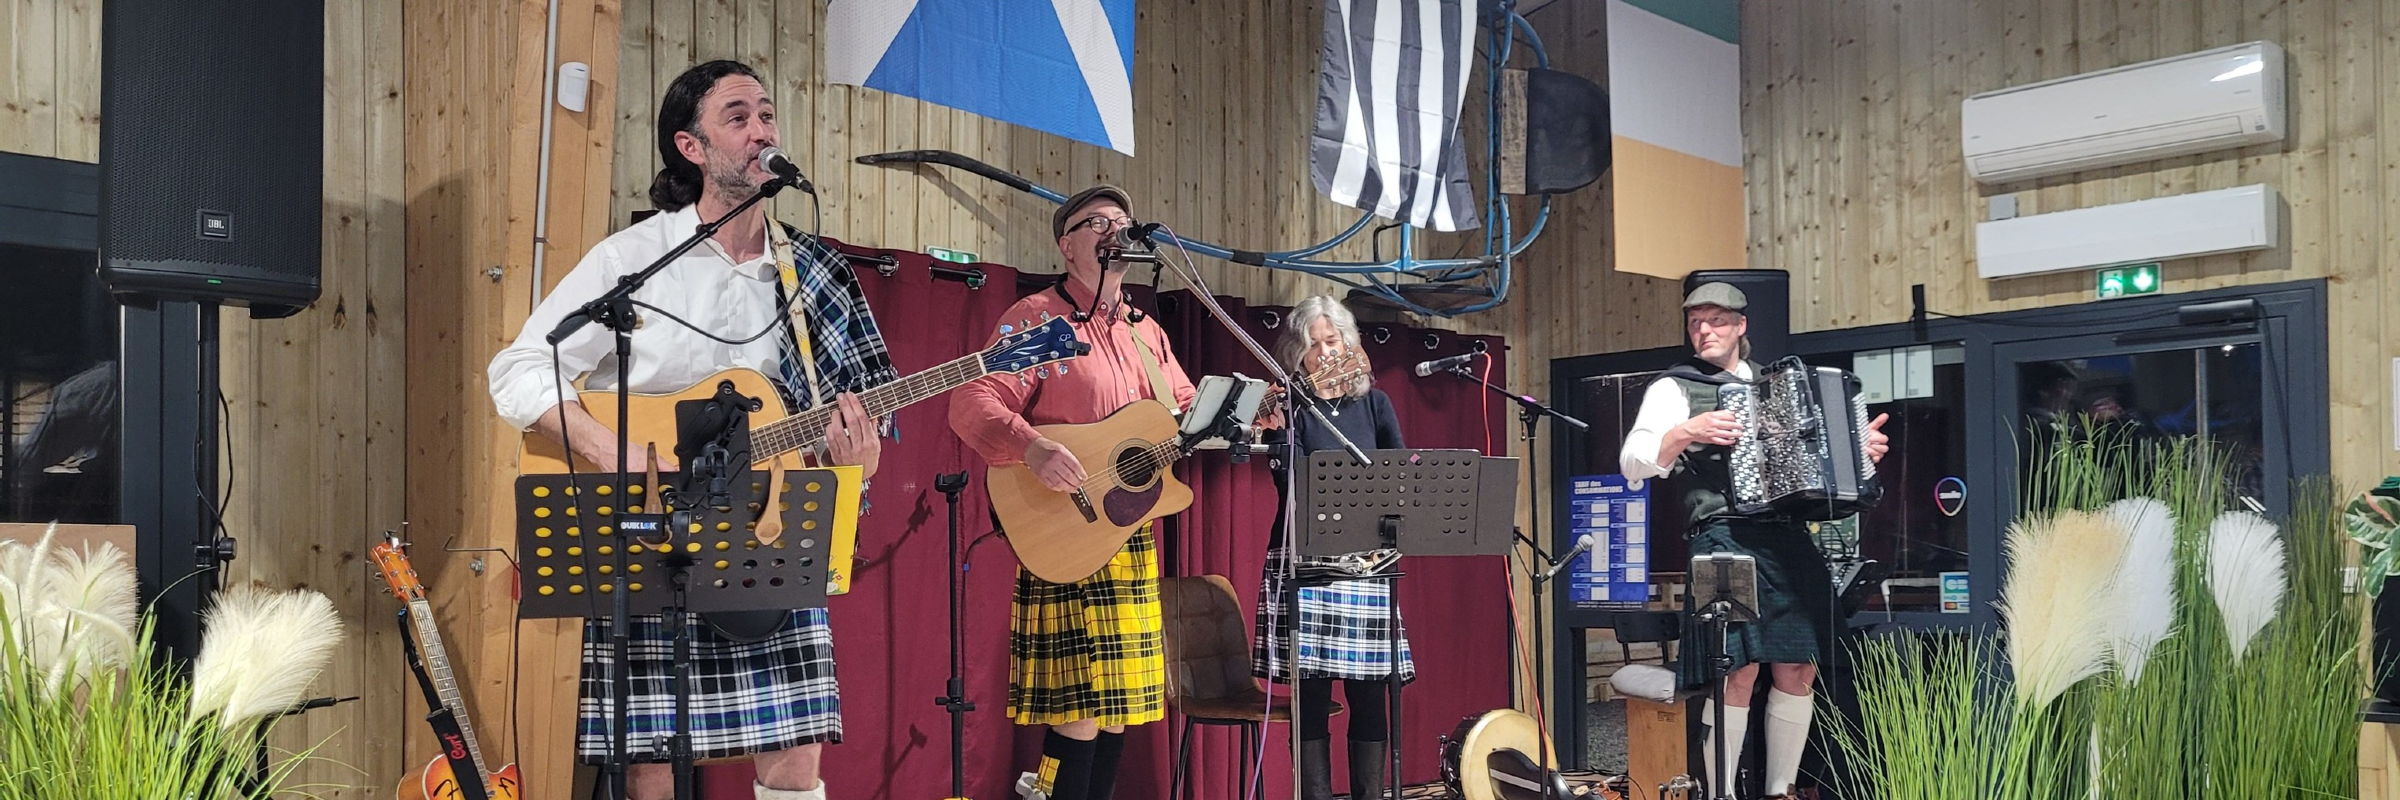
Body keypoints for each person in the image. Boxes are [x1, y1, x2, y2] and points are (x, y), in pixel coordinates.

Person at [487, 59, 894, 800]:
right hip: (653, 530)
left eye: (766, 114)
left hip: (767, 534)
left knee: (797, 756)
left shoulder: (814, 271)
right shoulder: (634, 259)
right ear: (692, 147)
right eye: (737, 117)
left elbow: (862, 408)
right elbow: (516, 371)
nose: (760, 130)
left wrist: (854, 465)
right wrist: (608, 447)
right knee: (649, 764)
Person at [949, 184, 1198, 800]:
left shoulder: (1147, 331)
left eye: (1124, 220)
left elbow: (1185, 412)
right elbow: (973, 400)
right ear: (1067, 245)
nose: (1116, 230)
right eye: (1098, 222)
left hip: (1126, 532)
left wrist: (1249, 413)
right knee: (1078, 709)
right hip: (1065, 529)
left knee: (1115, 709)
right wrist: (1030, 446)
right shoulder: (1038, 320)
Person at [1617, 282, 1889, 799]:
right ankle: (1720, 792)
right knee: (1735, 670)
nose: (1704, 331)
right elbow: (1633, 463)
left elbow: (1823, 464)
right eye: (1696, 322)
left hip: (1785, 536)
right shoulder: (1674, 388)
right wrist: (1684, 432)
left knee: (1799, 663)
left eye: (1716, 320)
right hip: (1720, 534)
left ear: (1741, 326)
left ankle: (1781, 790)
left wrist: (1860, 455)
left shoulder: (1779, 383)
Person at [1249, 295, 1408, 800]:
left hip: (1366, 563)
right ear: (1297, 352)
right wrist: (1276, 433)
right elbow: (1288, 485)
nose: (1322, 352)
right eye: (1311, 344)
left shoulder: (1375, 404)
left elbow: (1400, 475)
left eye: (1331, 341)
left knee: (1369, 696)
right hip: (1304, 560)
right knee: (1310, 696)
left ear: (1350, 343)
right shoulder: (1291, 406)